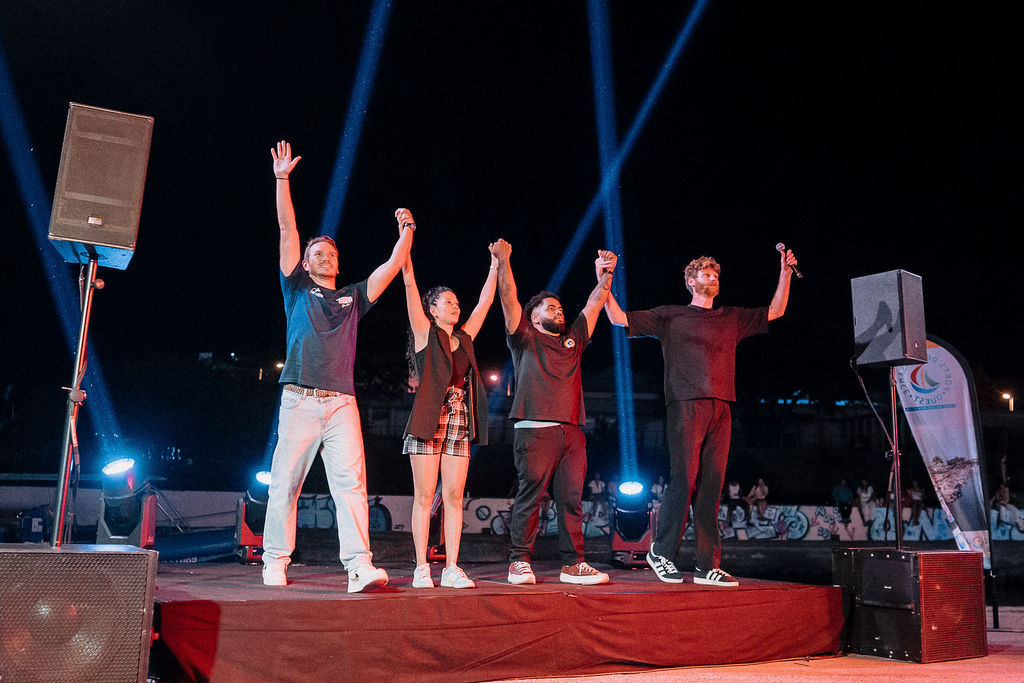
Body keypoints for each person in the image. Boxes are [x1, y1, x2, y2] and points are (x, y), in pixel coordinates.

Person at [261, 140, 413, 591]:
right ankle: (275, 560)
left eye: (331, 253)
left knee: (351, 485)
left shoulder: (353, 297)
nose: (326, 257)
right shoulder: (296, 287)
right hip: (299, 398)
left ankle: (359, 567)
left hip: (342, 404)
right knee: (285, 483)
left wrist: (406, 230)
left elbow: (392, 266)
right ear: (306, 264)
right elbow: (287, 229)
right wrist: (282, 179)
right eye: (318, 254)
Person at [602, 247, 798, 586]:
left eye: (716, 275)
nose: (713, 278)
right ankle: (661, 552)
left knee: (712, 485)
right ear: (691, 281)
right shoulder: (670, 315)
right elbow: (618, 317)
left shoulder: (731, 317)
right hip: (686, 403)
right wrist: (605, 277)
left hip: (722, 406)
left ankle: (708, 565)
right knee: (685, 478)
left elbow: (776, 310)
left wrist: (785, 272)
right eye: (706, 274)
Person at [490, 238, 615, 586]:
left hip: (571, 432)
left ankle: (573, 564)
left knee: (572, 500)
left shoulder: (573, 339)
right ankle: (519, 561)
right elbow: (508, 298)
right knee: (531, 496)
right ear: (534, 316)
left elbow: (595, 303)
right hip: (535, 431)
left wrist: (606, 274)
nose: (559, 311)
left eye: (560, 308)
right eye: (550, 308)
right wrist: (504, 261)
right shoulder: (524, 337)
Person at [400, 245, 498, 589]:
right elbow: (409, 283)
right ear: (432, 309)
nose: (456, 306)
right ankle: (421, 568)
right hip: (428, 418)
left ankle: (452, 567)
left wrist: (496, 264)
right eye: (448, 302)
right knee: (424, 496)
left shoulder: (464, 337)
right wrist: (405, 241)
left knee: (454, 497)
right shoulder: (424, 332)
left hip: (459, 417)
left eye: (457, 302)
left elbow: (485, 302)